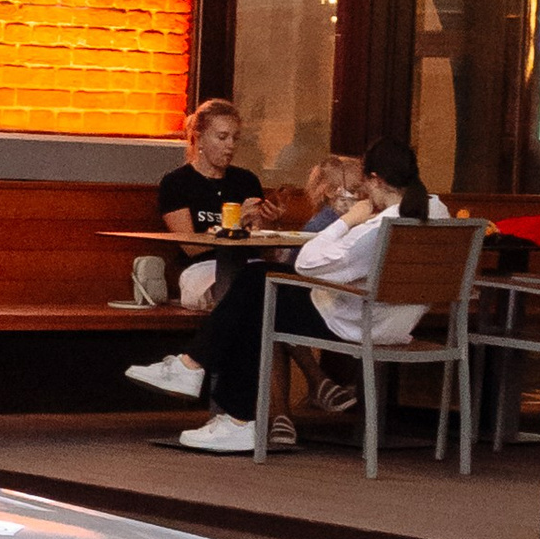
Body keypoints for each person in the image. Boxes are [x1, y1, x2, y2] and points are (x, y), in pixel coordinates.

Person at [177, 136, 452, 455]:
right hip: (399, 323)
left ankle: (230, 412)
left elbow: (308, 263)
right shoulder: (437, 210)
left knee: (256, 287)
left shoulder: (379, 227)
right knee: (259, 286)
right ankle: (215, 392)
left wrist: (349, 219)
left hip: (360, 322)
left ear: (375, 180)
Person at [126, 100, 266, 403]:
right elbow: (190, 246)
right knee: (259, 304)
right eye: (222, 137)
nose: (230, 146)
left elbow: (259, 239)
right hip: (201, 269)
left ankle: (195, 372)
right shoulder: (178, 183)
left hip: (247, 266)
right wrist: (234, 223)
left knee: (265, 302)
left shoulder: (246, 181)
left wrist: (266, 220)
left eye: (235, 138)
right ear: (198, 137)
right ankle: (243, 409)